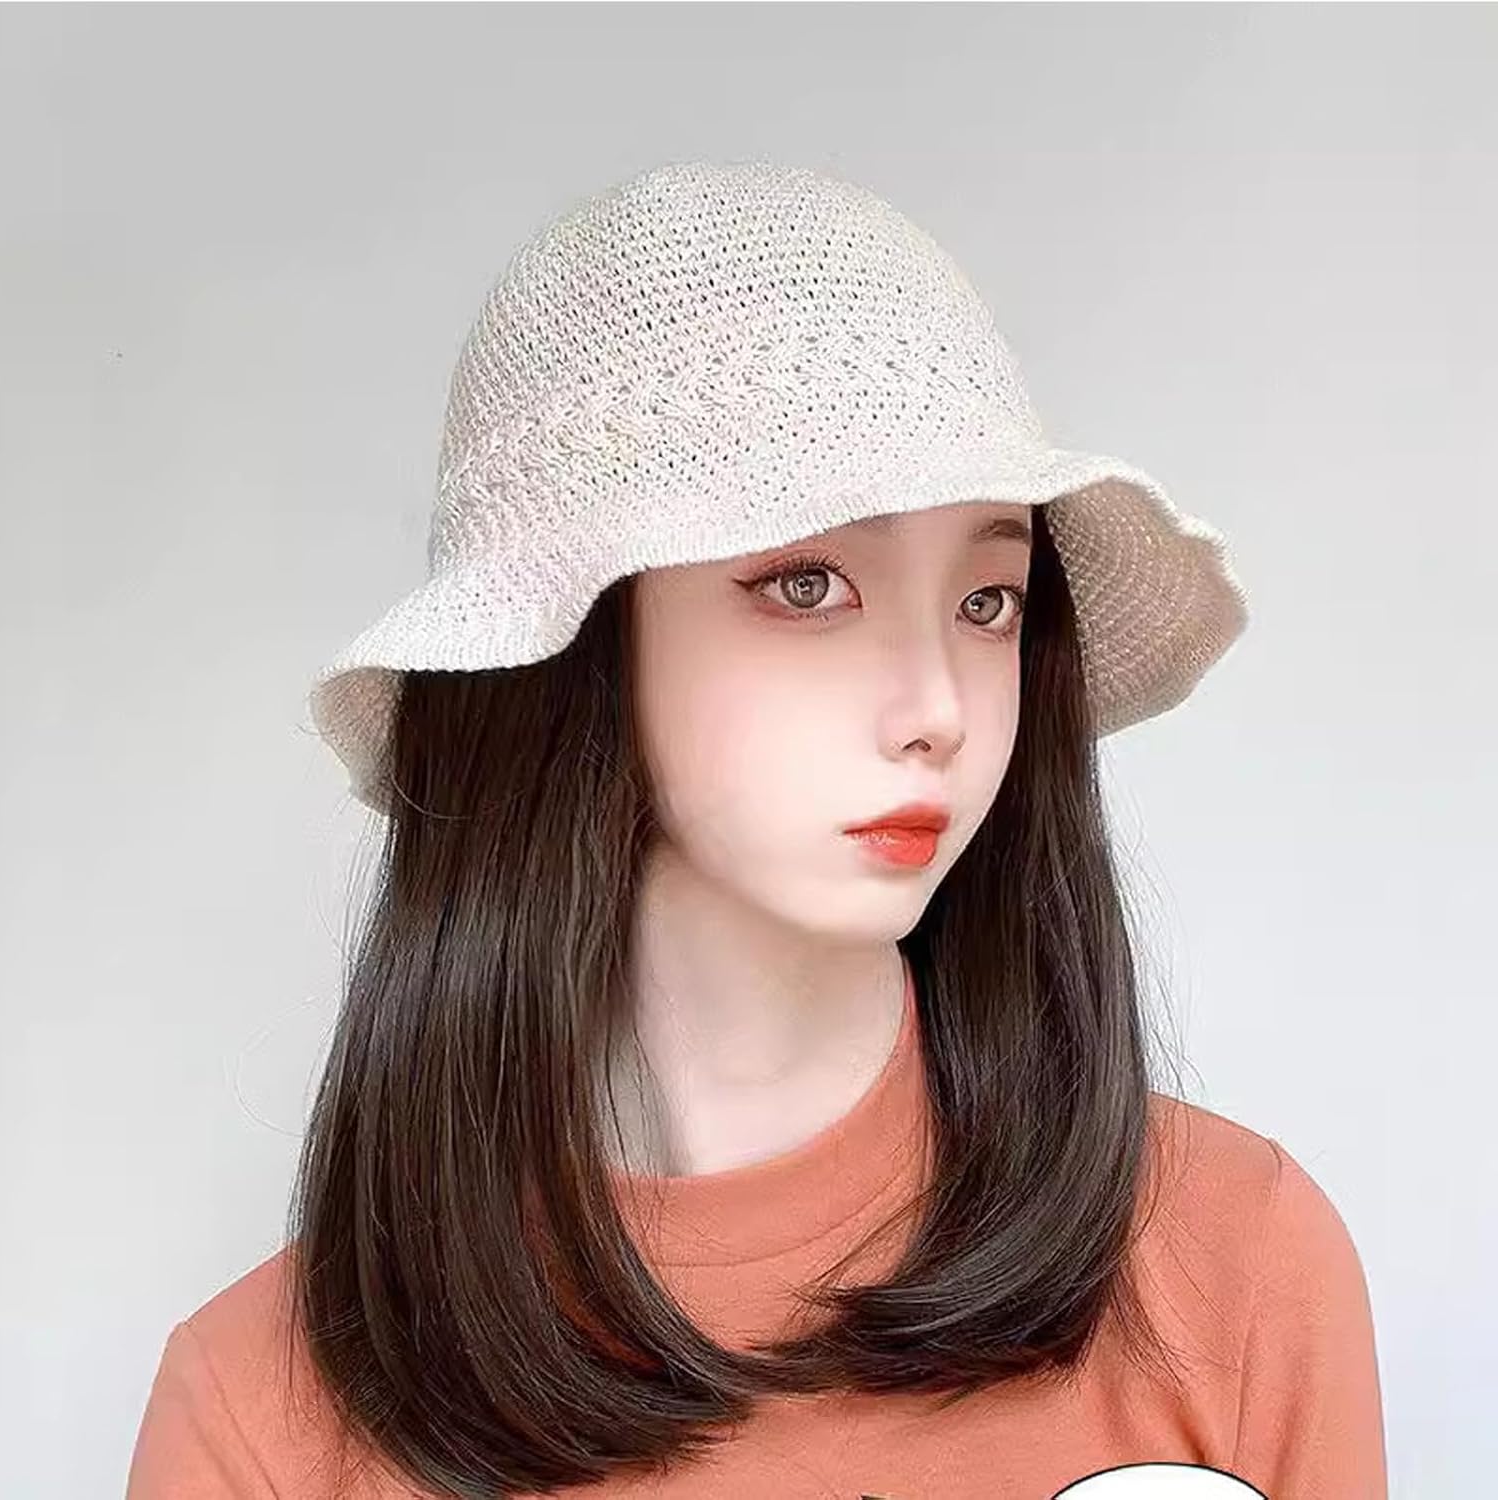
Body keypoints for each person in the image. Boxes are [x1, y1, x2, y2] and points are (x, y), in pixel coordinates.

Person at [126, 160, 1386, 1499]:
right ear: (570, 657)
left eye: (988, 600)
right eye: (807, 585)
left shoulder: (1233, 1264)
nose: (937, 708)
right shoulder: (263, 1415)